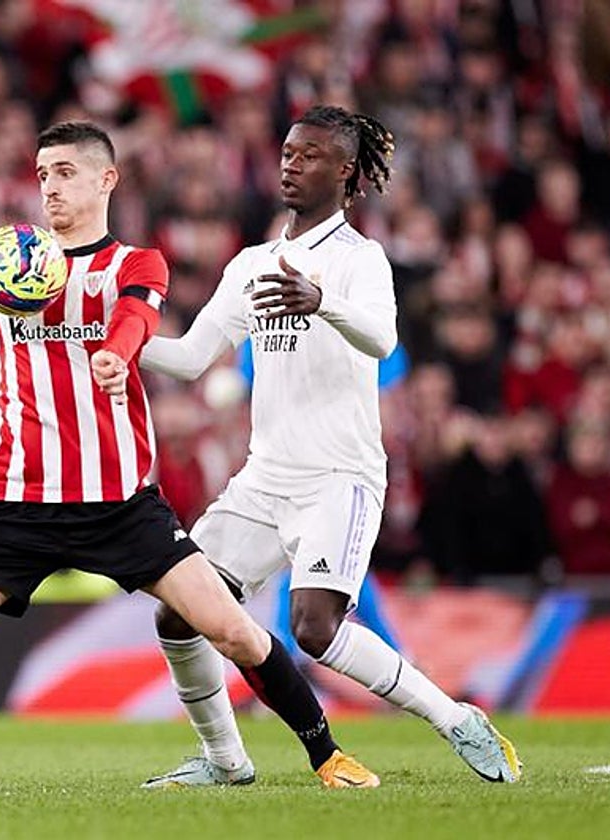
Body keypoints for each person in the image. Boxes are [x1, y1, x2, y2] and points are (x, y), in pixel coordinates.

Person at [0, 121, 378, 796]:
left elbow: (137, 317)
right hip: (16, 505)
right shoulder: (3, 266)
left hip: (120, 506)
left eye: (65, 172)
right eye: (42, 174)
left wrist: (116, 351)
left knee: (234, 632)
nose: (50, 187)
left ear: (106, 179)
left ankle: (327, 756)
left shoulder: (135, 264)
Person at [132, 105, 522, 787]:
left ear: (345, 172)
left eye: (309, 155)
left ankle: (456, 718)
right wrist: (113, 341)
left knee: (314, 628)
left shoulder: (360, 259)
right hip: (264, 478)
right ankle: (224, 760)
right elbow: (192, 357)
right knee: (179, 611)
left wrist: (321, 301)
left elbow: (383, 339)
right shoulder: (252, 264)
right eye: (288, 152)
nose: (291, 164)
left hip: (338, 477)